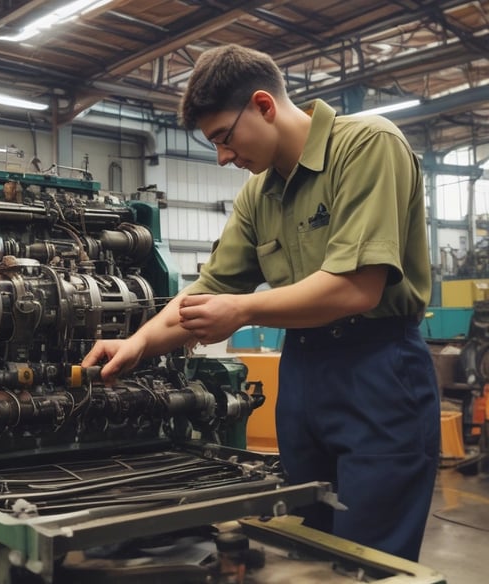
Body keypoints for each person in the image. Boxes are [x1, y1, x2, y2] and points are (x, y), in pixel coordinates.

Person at [82, 43, 440, 562]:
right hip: (305, 374)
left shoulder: (367, 146)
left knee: (369, 556)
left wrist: (245, 311)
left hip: (379, 372)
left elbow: (356, 287)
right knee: (309, 546)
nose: (224, 156)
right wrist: (138, 345)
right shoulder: (259, 193)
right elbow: (211, 288)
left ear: (264, 105)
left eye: (224, 138)